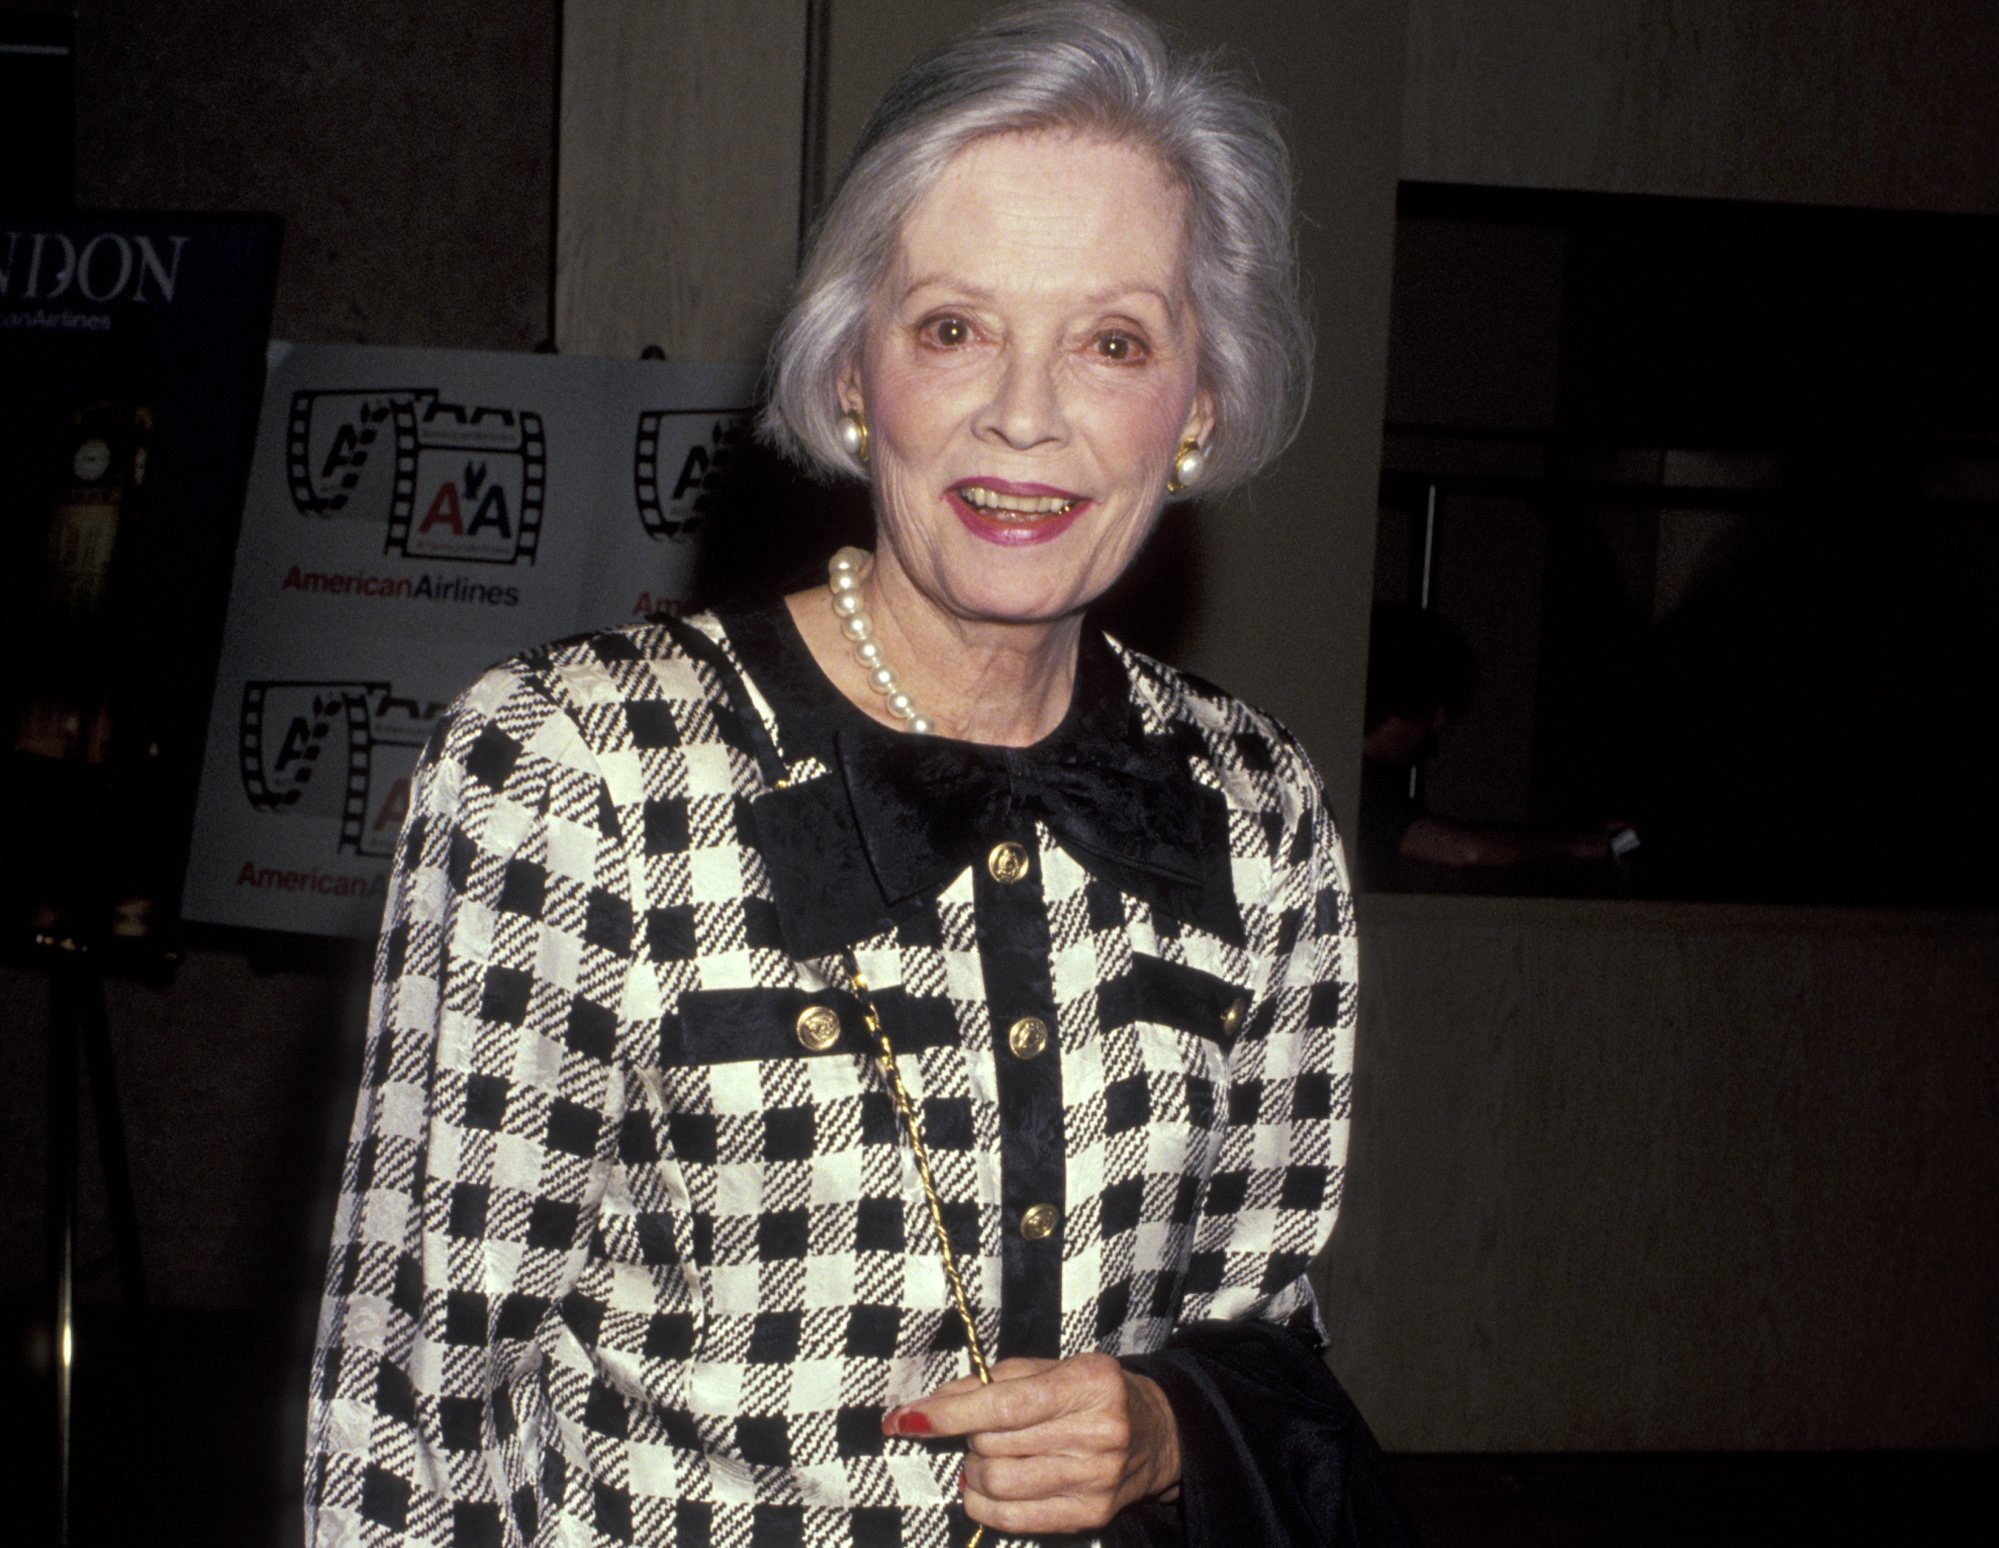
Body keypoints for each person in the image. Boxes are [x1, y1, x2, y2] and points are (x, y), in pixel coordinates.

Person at [305, 6, 1412, 1544]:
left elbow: (1266, 1335)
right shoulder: (570, 772)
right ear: (848, 376)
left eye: (1112, 341)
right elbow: (409, 1432)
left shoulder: (1256, 809)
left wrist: (1165, 1424)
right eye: (951, 327)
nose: (1024, 414)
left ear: (1196, 408)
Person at [1357, 603, 1633, 891]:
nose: (1438, 724)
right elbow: (1466, 849)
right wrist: (1576, 844)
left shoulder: (1369, 779)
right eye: (1432, 708)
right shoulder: (1355, 787)